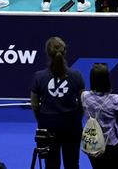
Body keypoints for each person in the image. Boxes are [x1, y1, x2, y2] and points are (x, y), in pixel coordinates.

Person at [31, 37, 86, 169]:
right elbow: (83, 102)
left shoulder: (38, 76)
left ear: (47, 53)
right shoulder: (77, 75)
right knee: (72, 164)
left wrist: (42, 119)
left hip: (47, 126)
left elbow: (34, 105)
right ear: (65, 52)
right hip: (72, 126)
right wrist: (77, 119)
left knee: (51, 165)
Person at [81, 64, 118, 169]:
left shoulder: (84, 96)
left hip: (93, 144)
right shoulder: (115, 99)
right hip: (113, 144)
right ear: (107, 80)